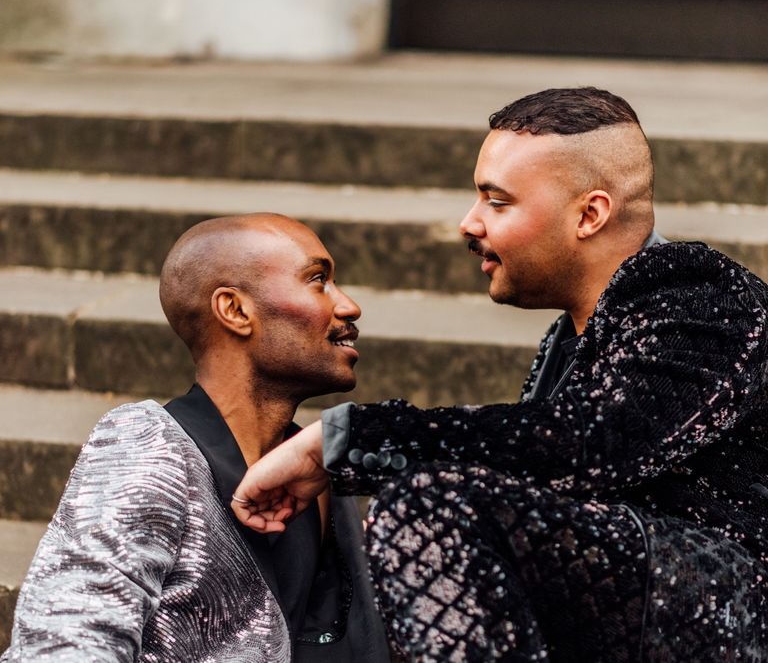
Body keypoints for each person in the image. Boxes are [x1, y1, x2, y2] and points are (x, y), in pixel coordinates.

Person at [231, 89, 768, 662]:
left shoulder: (705, 299)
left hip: (737, 613)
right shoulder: (580, 334)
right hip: (651, 608)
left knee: (430, 508)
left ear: (590, 214)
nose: (469, 223)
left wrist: (350, 438)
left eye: (497, 201)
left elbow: (594, 443)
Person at [2, 214, 389, 662]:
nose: (348, 306)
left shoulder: (316, 475)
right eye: (318, 280)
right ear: (235, 310)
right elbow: (61, 644)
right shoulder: (148, 446)